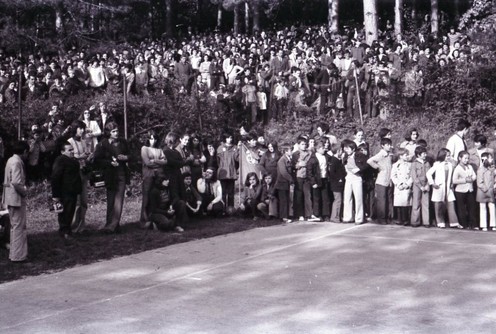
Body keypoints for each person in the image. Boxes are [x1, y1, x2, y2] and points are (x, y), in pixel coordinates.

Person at [93, 122, 130, 233]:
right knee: (110, 200)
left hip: (122, 174)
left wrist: (126, 157)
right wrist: (109, 163)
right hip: (110, 175)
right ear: (108, 132)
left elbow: (132, 155)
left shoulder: (123, 142)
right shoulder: (102, 144)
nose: (116, 133)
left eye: (117, 130)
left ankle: (113, 225)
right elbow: (97, 160)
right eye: (113, 131)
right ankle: (110, 224)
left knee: (119, 200)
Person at [2, 141, 29, 263]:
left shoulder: (10, 160)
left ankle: (14, 253)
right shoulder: (17, 162)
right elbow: (16, 182)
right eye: (27, 153)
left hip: (9, 197)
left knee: (14, 227)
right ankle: (18, 256)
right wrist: (24, 191)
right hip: (16, 198)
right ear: (24, 152)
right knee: (19, 227)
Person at [51, 141, 83, 240]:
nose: (72, 151)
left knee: (70, 212)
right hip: (64, 192)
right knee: (65, 213)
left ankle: (67, 231)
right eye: (69, 150)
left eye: (72, 149)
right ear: (62, 151)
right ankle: (64, 232)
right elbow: (55, 177)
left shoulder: (73, 160)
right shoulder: (60, 160)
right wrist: (56, 195)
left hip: (72, 191)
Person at [426, 148, 460, 228]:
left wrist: (451, 183)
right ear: (442, 156)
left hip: (448, 187)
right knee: (438, 205)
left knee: (451, 203)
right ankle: (440, 222)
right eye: (447, 156)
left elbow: (452, 175)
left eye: (449, 156)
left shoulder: (450, 164)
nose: (449, 157)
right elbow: (428, 174)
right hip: (439, 187)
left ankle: (454, 222)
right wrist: (432, 183)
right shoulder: (437, 164)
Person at [139, 130, 167, 229]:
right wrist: (158, 163)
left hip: (158, 176)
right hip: (148, 176)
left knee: (156, 197)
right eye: (151, 138)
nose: (153, 141)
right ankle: (144, 221)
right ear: (148, 139)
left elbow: (165, 161)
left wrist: (154, 160)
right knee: (146, 198)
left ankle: (154, 219)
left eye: (155, 138)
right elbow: (147, 163)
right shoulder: (144, 148)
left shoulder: (159, 149)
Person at [67, 121, 91, 234]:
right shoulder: (69, 142)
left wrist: (88, 157)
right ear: (75, 129)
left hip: (83, 173)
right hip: (74, 175)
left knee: (84, 201)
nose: (82, 131)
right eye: (80, 128)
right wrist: (79, 157)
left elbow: (86, 155)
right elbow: (68, 158)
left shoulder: (84, 141)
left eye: (83, 129)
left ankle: (82, 226)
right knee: (76, 201)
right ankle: (73, 226)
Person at [367, 138, 393, 224]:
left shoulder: (389, 155)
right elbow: (370, 161)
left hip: (388, 180)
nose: (389, 146)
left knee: (388, 199)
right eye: (387, 145)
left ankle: (387, 217)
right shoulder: (381, 154)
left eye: (390, 145)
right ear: (382, 146)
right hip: (381, 181)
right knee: (382, 200)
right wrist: (377, 167)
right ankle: (381, 218)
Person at [342, 139, 368, 224]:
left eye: (348, 148)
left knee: (358, 198)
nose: (346, 150)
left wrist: (358, 169)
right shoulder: (345, 156)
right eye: (345, 148)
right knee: (347, 197)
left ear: (353, 149)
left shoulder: (360, 155)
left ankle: (359, 218)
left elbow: (366, 165)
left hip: (357, 177)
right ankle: (347, 217)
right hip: (348, 177)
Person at [452, 151, 477, 229]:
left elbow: (474, 176)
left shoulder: (470, 166)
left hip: (470, 190)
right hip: (460, 191)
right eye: (465, 158)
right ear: (460, 158)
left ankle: (473, 224)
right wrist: (465, 180)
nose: (467, 160)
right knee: (461, 208)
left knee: (472, 207)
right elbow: (454, 180)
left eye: (468, 158)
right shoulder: (457, 168)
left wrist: (471, 179)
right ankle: (464, 224)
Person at [216, 133, 238, 215]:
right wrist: (221, 168)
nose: (230, 139)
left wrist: (240, 150)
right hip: (223, 174)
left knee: (231, 193)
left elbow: (237, 159)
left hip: (231, 173)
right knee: (223, 193)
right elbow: (217, 161)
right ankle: (223, 210)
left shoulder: (235, 148)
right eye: (228, 138)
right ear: (225, 139)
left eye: (231, 137)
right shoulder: (220, 148)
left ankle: (230, 210)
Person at [391, 148, 413, 225]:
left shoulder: (410, 165)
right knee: (399, 203)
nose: (407, 157)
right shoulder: (395, 165)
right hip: (399, 187)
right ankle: (399, 219)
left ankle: (406, 219)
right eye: (405, 155)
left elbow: (412, 176)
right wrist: (398, 184)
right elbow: (393, 176)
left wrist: (407, 184)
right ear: (400, 156)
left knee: (406, 203)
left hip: (406, 186)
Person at [410, 145, 431, 227]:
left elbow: (430, 175)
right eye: (423, 154)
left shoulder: (427, 163)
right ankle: (415, 221)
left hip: (426, 185)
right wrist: (420, 186)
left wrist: (427, 185)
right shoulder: (414, 164)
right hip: (417, 186)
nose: (425, 155)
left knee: (426, 204)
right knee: (416, 203)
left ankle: (426, 222)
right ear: (418, 155)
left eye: (425, 153)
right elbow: (414, 177)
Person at [275, 143, 294, 223]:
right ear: (286, 151)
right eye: (290, 150)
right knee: (283, 201)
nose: (291, 152)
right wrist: (291, 179)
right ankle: (284, 217)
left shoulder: (288, 159)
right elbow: (284, 172)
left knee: (286, 200)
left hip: (285, 184)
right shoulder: (282, 160)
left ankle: (285, 215)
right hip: (281, 184)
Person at [476, 152, 495, 231]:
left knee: (492, 207)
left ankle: (493, 224)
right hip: (482, 192)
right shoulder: (480, 170)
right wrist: (486, 189)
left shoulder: (493, 168)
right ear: (485, 159)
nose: (492, 159)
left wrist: (493, 187)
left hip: (491, 191)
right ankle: (483, 225)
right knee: (482, 207)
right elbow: (479, 183)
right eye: (490, 158)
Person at [327, 144, 346, 223]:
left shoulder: (336, 160)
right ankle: (335, 217)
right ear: (338, 151)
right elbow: (332, 172)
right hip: (336, 184)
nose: (342, 152)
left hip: (337, 184)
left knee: (338, 200)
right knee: (338, 200)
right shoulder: (334, 160)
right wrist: (339, 179)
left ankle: (336, 216)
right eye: (341, 150)